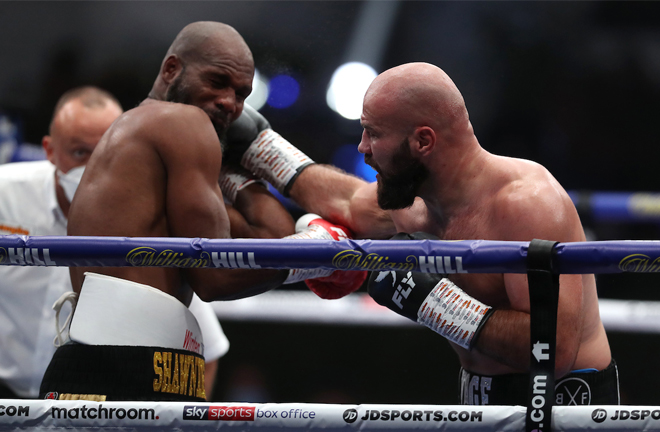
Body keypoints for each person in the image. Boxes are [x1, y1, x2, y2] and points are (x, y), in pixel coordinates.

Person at [223, 62, 619, 406]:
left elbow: (555, 349)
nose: (362, 148)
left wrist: (433, 301)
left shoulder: (525, 204)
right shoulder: (414, 206)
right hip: (478, 400)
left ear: (423, 141)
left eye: (373, 133)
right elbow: (344, 200)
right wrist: (257, 144)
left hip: (565, 405)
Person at [40, 22, 363, 402]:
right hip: (121, 365)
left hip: (151, 364)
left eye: (242, 93)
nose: (231, 103)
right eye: (217, 81)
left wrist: (240, 164)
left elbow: (273, 237)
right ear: (171, 70)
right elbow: (215, 276)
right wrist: (318, 251)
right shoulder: (181, 121)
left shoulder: (157, 153)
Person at [0, 86, 230, 400]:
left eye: (107, 152)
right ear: (50, 150)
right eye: (80, 152)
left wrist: (179, 421)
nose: (94, 167)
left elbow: (209, 351)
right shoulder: (5, 194)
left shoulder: (148, 219)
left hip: (84, 406)